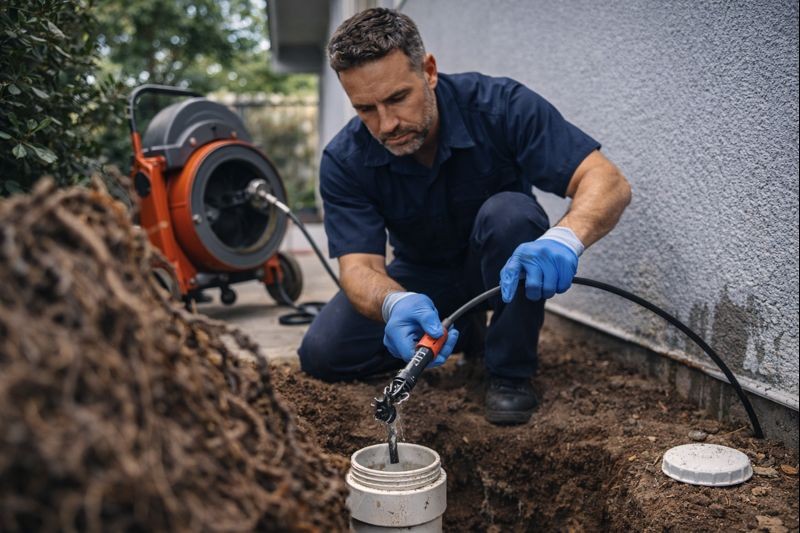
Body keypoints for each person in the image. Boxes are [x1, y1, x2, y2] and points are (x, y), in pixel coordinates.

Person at [298, 8, 631, 425]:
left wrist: (566, 238)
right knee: (323, 354)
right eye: (365, 108)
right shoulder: (345, 159)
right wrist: (393, 302)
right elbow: (358, 267)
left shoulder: (501, 107)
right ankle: (463, 330)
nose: (387, 124)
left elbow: (607, 180)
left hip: (502, 270)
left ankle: (509, 372)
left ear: (429, 71)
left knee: (512, 215)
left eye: (398, 98)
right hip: (422, 280)